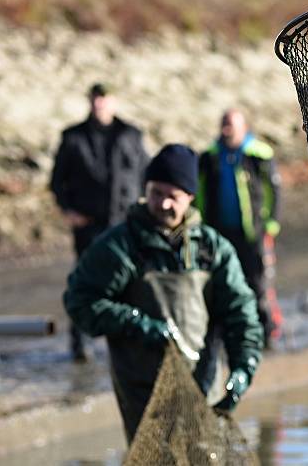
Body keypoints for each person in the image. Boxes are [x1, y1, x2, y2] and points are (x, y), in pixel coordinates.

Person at [64, 144, 263, 443]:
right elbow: (80, 301)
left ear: (190, 198)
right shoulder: (121, 246)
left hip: (202, 386)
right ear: (145, 189)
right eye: (156, 193)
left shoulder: (212, 250)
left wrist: (242, 369)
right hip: (143, 392)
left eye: (173, 196)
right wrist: (137, 323)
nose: (164, 203)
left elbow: (241, 313)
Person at [50, 83, 149, 361]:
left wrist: (145, 214)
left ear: (113, 101)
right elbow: (57, 181)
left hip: (124, 224)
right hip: (89, 226)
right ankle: (80, 345)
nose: (99, 104)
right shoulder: (73, 138)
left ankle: (129, 339)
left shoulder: (131, 135)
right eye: (95, 99)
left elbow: (146, 176)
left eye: (104, 99)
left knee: (131, 282)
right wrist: (68, 210)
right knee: (85, 284)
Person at [197, 109, 282, 347]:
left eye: (231, 124)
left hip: (253, 231)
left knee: (259, 283)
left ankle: (267, 333)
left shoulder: (258, 154)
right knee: (224, 283)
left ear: (244, 127)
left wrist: (272, 223)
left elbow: (274, 189)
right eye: (224, 123)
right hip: (221, 232)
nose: (227, 128)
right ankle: (231, 335)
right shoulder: (210, 157)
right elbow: (199, 193)